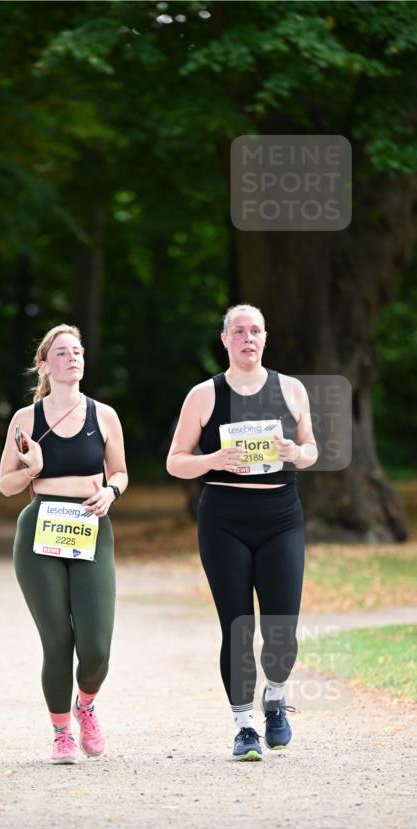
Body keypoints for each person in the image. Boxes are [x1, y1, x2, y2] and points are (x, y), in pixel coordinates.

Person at [167, 304, 318, 762]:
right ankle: (244, 725)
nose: (248, 338)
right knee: (237, 627)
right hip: (224, 520)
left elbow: (311, 450)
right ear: (225, 340)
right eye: (239, 331)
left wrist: (297, 450)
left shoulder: (290, 389)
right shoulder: (204, 395)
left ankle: (275, 697)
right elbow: (175, 461)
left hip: (281, 516)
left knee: (281, 628)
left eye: (255, 331)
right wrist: (212, 460)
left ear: (265, 338)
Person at [0, 324, 128, 765]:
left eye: (77, 351)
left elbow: (122, 473)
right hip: (40, 526)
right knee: (57, 642)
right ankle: (60, 733)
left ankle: (86, 704)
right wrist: (32, 468)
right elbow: (5, 484)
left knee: (95, 648)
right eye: (62, 353)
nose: (72, 358)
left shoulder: (104, 415)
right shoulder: (25, 419)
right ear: (44, 365)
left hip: (92, 525)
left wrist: (111, 493)